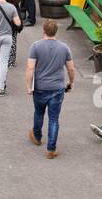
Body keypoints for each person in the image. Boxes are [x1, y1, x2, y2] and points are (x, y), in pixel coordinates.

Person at [26, 20, 74, 158]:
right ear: (56, 31)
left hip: (40, 87)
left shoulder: (35, 46)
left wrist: (29, 86)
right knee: (54, 119)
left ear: (44, 30)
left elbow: (30, 68)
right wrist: (71, 82)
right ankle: (51, 149)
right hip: (57, 89)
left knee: (39, 112)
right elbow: (71, 68)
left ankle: (37, 136)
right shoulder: (64, 48)